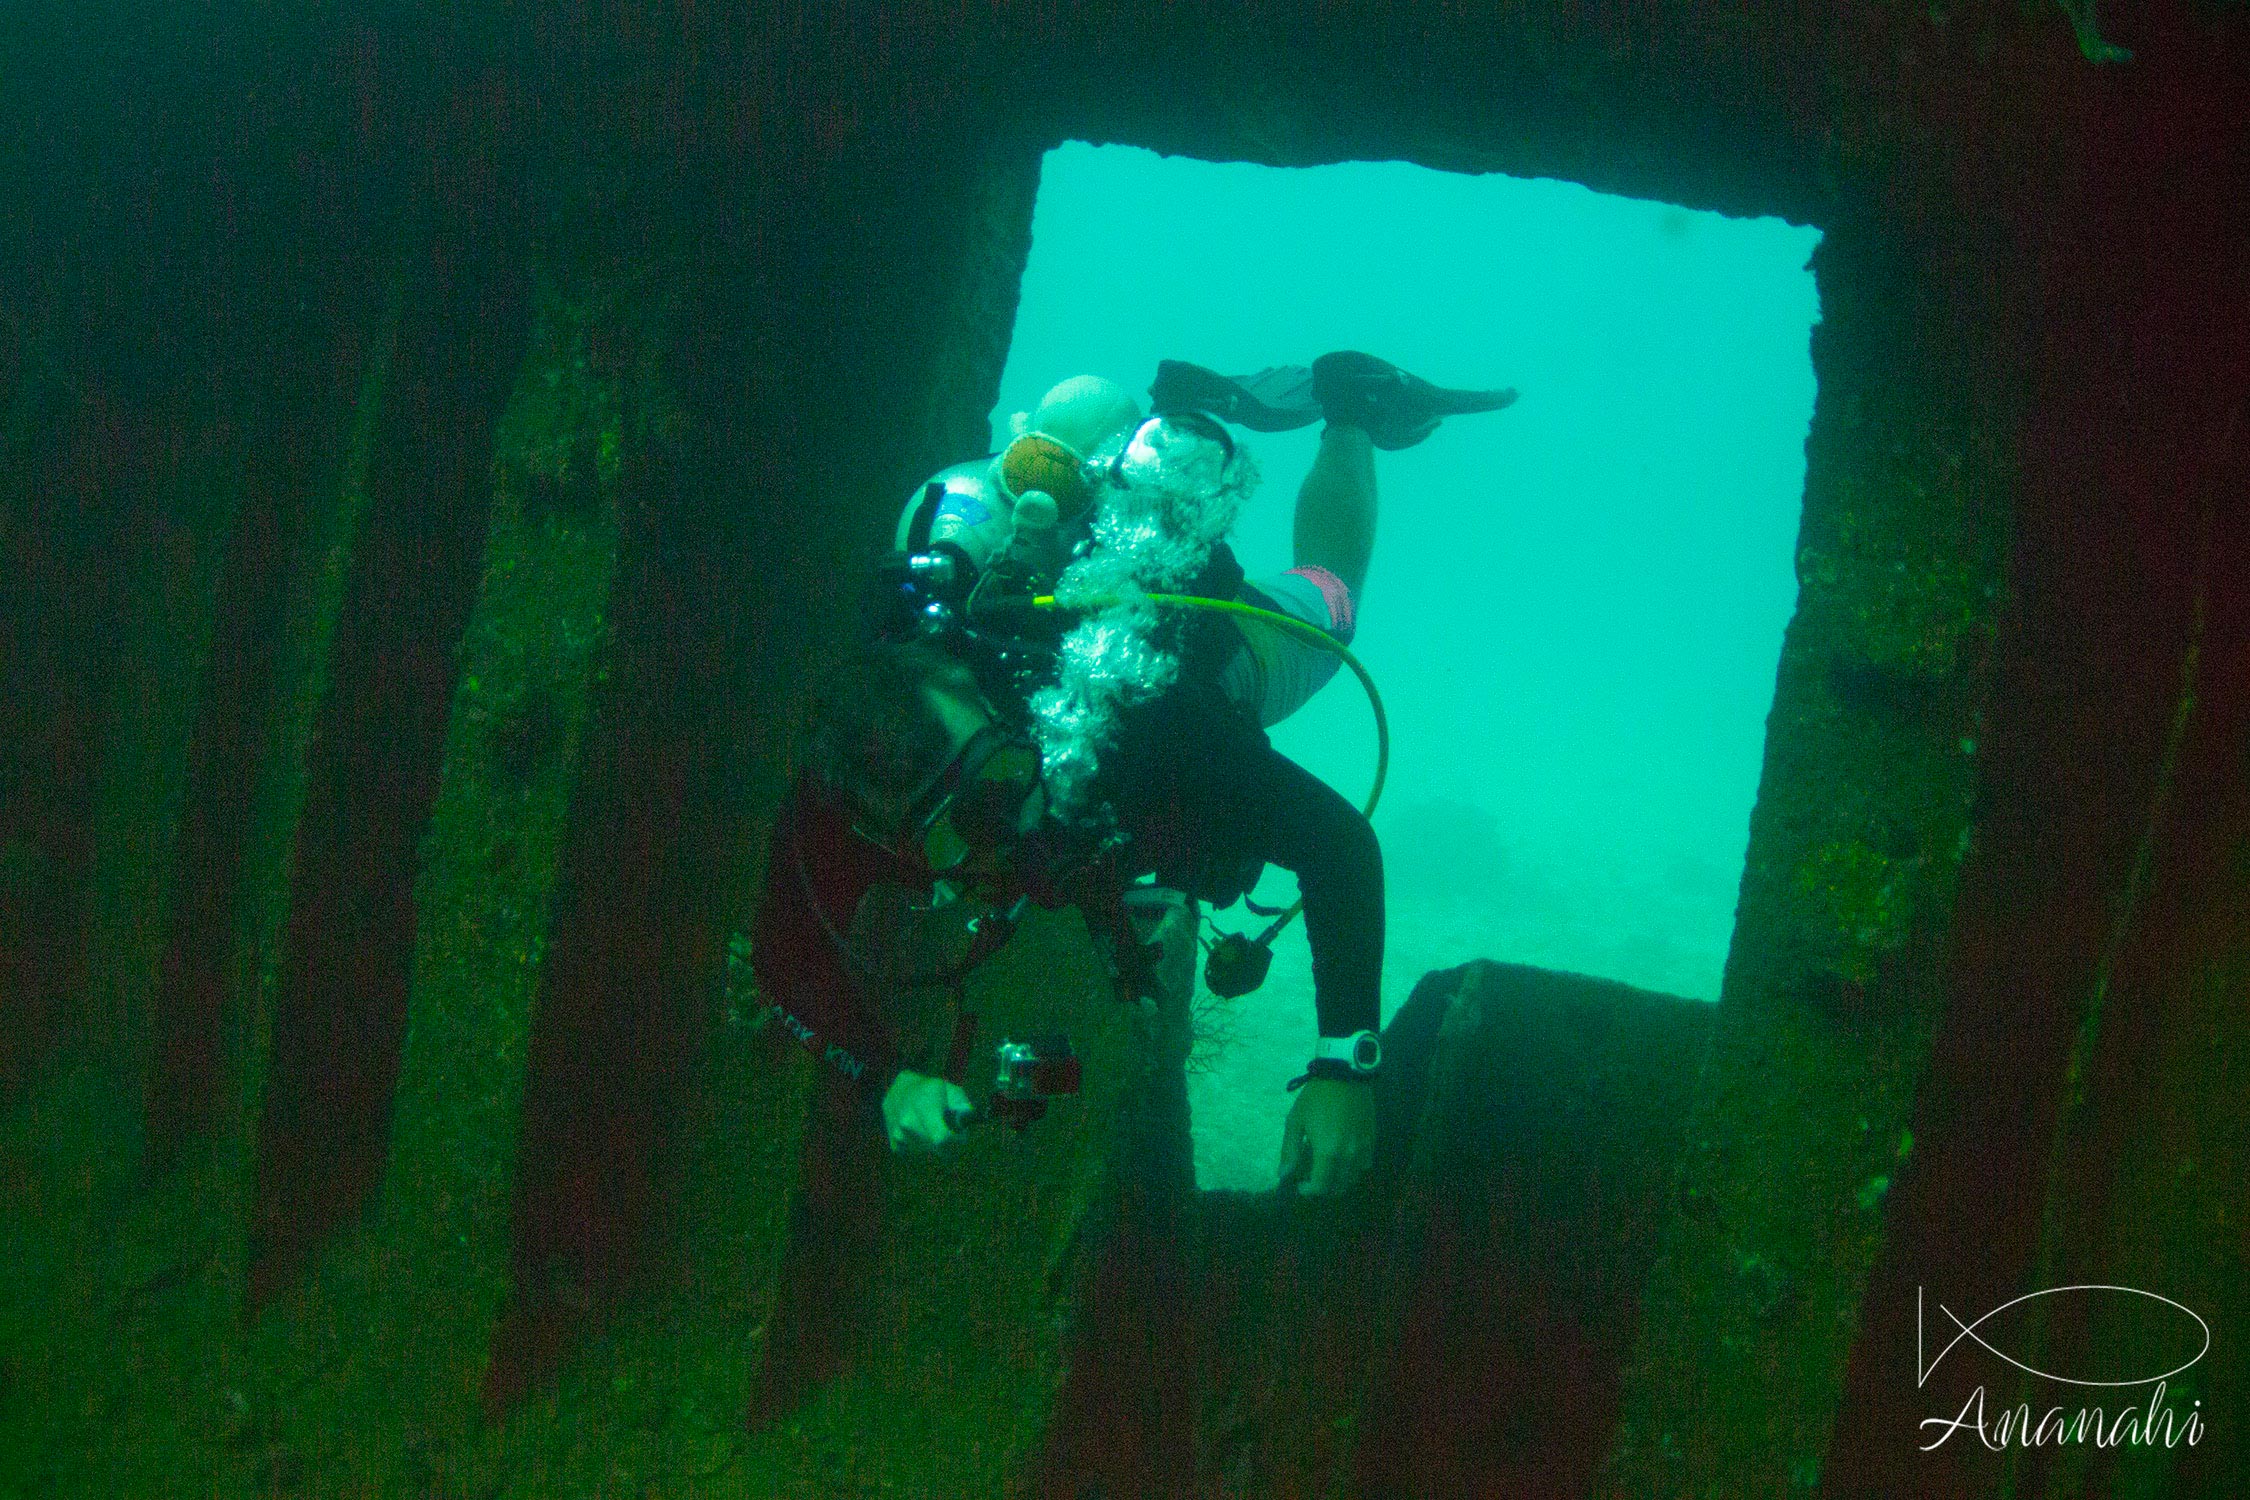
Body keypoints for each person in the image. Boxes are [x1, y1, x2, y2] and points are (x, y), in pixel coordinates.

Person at [754, 352, 1517, 1195]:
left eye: (1001, 775)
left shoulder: (1138, 725)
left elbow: (1337, 843)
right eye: (961, 814)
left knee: (1332, 599)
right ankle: (1183, 411)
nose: (1006, 806)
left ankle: (1352, 415)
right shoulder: (864, 766)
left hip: (1207, 660)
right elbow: (781, 955)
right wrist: (889, 1075)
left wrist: (1345, 1068)